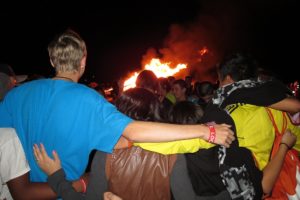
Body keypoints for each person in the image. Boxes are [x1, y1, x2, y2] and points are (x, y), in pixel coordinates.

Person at [0, 29, 234, 187]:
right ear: (83, 61)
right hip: (64, 192)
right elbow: (133, 131)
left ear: (52, 61)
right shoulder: (88, 99)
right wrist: (205, 131)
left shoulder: (15, 95)